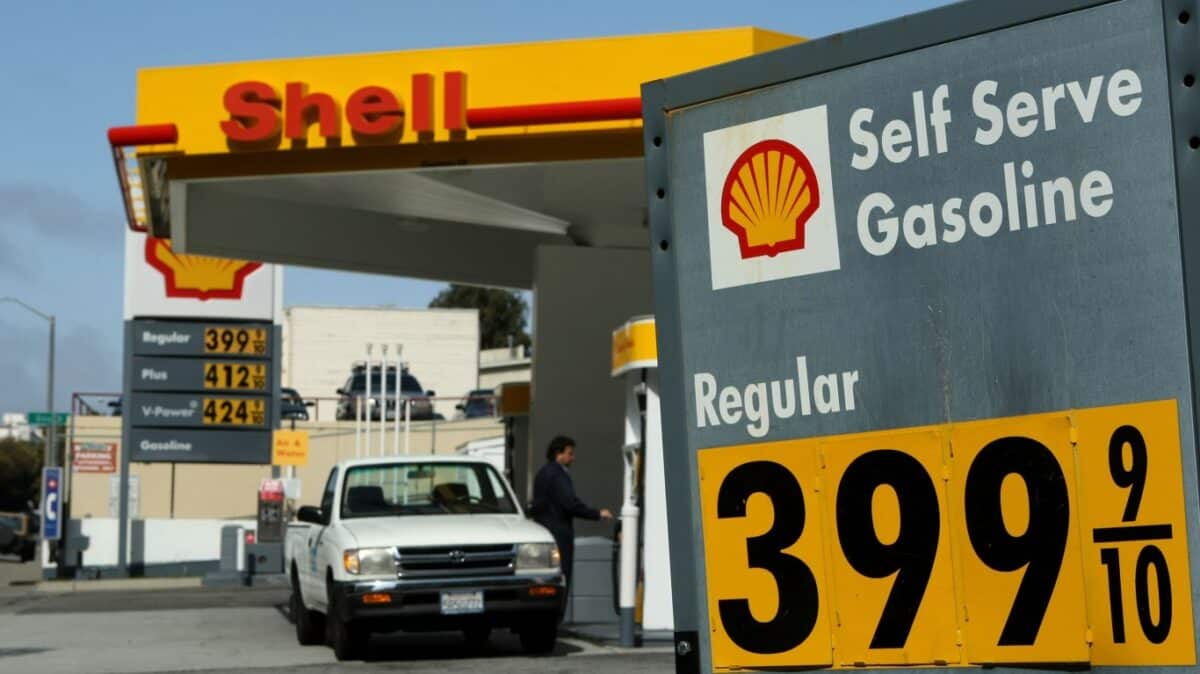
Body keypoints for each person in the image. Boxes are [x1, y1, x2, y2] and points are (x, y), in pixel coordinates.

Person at [530, 435, 613, 596]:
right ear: (558, 454)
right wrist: (597, 513)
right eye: (570, 453)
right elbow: (570, 503)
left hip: (544, 532)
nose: (572, 457)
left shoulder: (542, 473)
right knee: (563, 575)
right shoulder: (559, 475)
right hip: (560, 532)